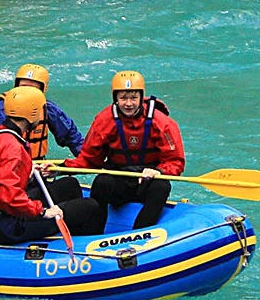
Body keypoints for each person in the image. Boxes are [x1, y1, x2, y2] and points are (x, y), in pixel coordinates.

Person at [0, 85, 105, 244]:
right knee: (91, 207)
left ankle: (66, 229)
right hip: (7, 225)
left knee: (69, 184)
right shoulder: (13, 148)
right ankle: (83, 250)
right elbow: (9, 198)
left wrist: (27, 172)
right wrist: (43, 212)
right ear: (32, 114)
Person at [64, 71, 184, 230]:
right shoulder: (104, 120)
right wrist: (61, 169)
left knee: (161, 186)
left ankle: (140, 234)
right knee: (102, 182)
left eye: (134, 98)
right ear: (115, 99)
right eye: (123, 98)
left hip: (146, 182)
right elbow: (89, 160)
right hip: (118, 181)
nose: (128, 103)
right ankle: (92, 233)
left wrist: (159, 171)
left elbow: (175, 161)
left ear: (141, 98)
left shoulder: (162, 122)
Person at [0, 64, 84, 161]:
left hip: (36, 168)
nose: (26, 93)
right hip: (4, 166)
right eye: (23, 87)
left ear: (42, 91)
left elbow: (73, 138)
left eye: (33, 89)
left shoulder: (49, 109)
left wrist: (89, 160)